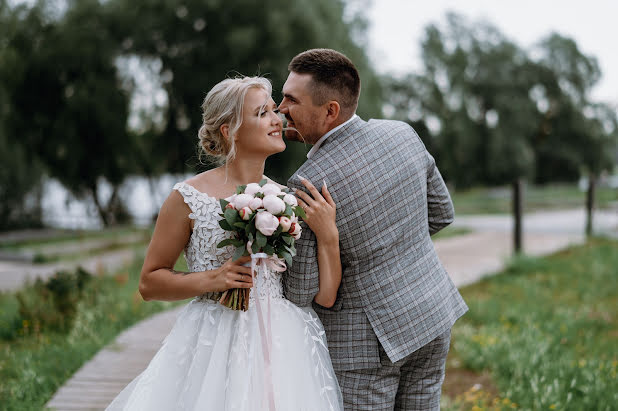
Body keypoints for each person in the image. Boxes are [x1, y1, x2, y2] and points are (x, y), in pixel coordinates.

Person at [106, 76, 344, 410]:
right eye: (263, 113)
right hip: (210, 344)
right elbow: (149, 283)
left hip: (282, 347)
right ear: (228, 130)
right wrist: (212, 280)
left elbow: (325, 296)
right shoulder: (187, 198)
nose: (279, 120)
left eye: (275, 110)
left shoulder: (289, 200)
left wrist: (328, 237)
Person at [279, 48, 469, 410]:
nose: (280, 107)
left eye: (291, 99)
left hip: (366, 345)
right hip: (432, 314)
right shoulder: (402, 134)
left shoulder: (307, 184)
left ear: (330, 110)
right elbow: (442, 213)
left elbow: (301, 291)